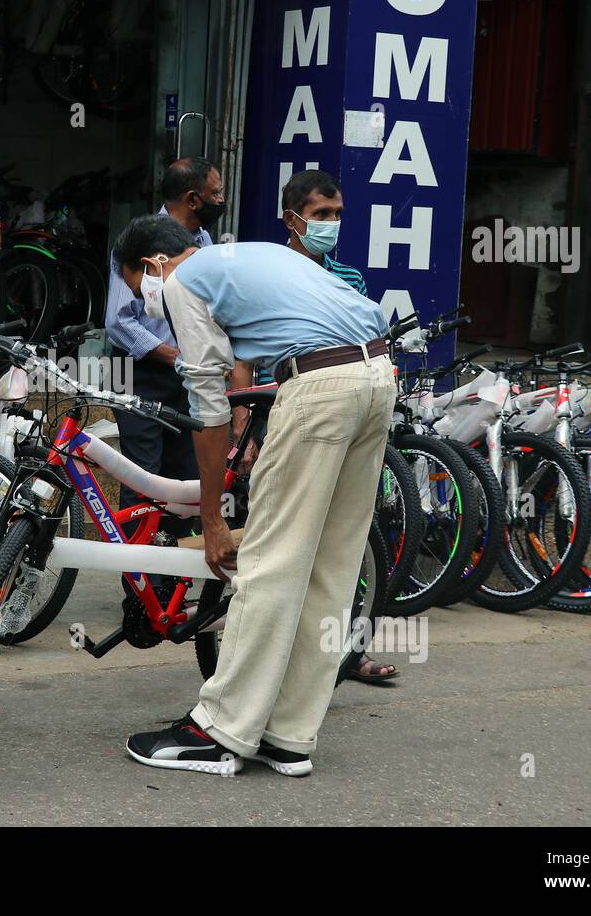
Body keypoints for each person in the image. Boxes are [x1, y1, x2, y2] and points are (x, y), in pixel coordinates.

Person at [114, 215, 393, 777]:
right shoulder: (252, 255)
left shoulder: (179, 281)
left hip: (318, 385)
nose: (144, 297)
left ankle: (219, 732)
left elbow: (209, 406)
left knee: (267, 563)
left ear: (151, 265)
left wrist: (212, 519)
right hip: (378, 375)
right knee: (328, 568)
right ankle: (288, 735)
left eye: (132, 281)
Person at [282, 169, 399, 686]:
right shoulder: (273, 271)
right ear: (294, 219)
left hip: (349, 413)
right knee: (285, 543)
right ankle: (279, 653)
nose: (330, 224)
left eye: (337, 215)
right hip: (285, 410)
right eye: (320, 215)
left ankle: (345, 652)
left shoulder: (349, 278)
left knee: (345, 545)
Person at [103, 158, 221, 518]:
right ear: (192, 198)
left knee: (186, 476)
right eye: (215, 193)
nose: (221, 200)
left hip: (187, 375)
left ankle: (173, 570)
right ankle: (140, 574)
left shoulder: (204, 242)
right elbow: (119, 322)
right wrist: (175, 357)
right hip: (140, 372)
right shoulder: (137, 240)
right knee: (143, 479)